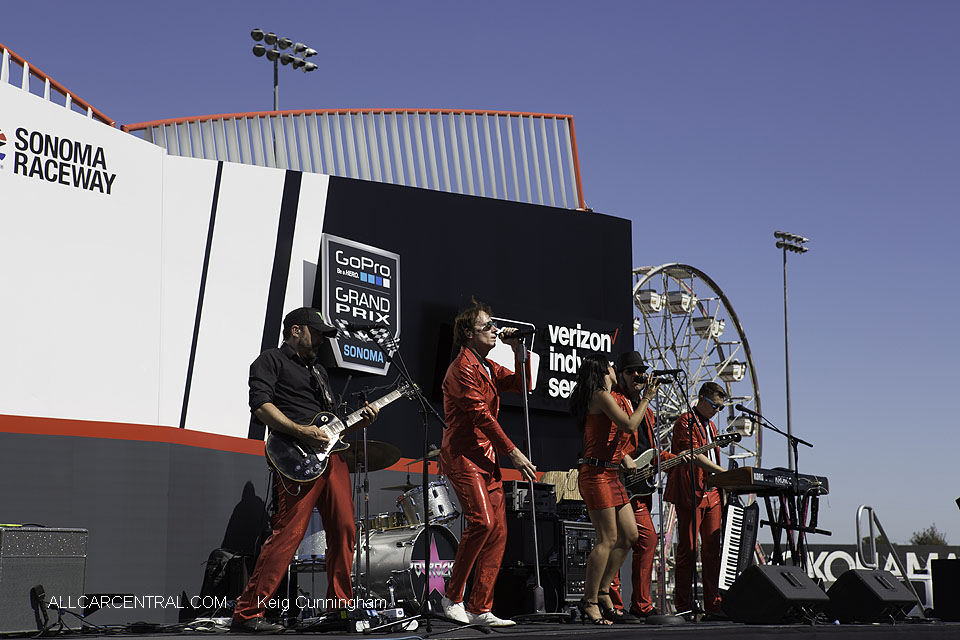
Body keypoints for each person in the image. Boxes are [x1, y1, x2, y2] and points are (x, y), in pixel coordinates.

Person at [231, 307, 379, 633]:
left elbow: (330, 427)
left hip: (330, 459)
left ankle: (339, 608)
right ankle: (247, 613)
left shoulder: (319, 374)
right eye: (317, 334)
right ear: (296, 330)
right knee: (289, 534)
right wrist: (300, 432)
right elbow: (260, 406)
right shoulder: (271, 360)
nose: (322, 342)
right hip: (295, 459)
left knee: (344, 529)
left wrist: (358, 422)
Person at [438, 299, 537, 628]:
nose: (495, 330)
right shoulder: (462, 368)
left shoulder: (489, 366)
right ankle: (451, 597)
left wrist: (518, 351)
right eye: (487, 327)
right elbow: (480, 416)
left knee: (498, 532)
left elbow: (525, 385)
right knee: (481, 522)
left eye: (494, 326)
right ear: (468, 333)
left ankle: (480, 606)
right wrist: (514, 452)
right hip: (464, 456)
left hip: (486, 457)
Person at [570, 353, 658, 625]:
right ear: (603, 370)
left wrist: (624, 457)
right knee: (607, 538)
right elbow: (629, 424)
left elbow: (613, 437)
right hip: (595, 474)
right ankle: (589, 600)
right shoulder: (599, 395)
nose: (614, 369)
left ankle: (604, 590)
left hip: (610, 473)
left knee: (630, 535)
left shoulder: (607, 396)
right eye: (611, 366)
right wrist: (646, 398)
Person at [606, 351, 663, 620]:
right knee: (619, 539)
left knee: (647, 539)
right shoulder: (615, 400)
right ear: (623, 375)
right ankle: (613, 603)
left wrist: (677, 459)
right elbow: (604, 438)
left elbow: (650, 449)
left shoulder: (647, 410)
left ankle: (641, 604)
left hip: (640, 485)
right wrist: (623, 457)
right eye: (633, 372)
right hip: (618, 481)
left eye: (642, 371)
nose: (639, 376)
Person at [664, 381, 728, 617]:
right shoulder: (684, 421)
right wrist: (723, 474)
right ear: (701, 399)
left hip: (711, 491)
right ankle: (684, 605)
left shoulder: (711, 426)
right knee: (688, 550)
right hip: (691, 491)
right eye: (714, 405)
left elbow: (709, 454)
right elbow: (693, 456)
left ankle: (714, 603)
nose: (717, 411)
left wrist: (722, 480)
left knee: (712, 549)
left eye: (721, 408)